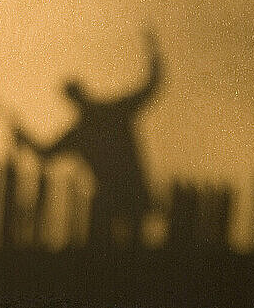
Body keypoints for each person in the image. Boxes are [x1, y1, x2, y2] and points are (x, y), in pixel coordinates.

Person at [14, 29, 163, 248]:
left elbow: (46, 153)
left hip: (120, 192)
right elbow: (151, 86)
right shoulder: (110, 114)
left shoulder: (93, 125)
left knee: (115, 246)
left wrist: (24, 138)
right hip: (124, 191)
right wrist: (153, 51)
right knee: (124, 246)